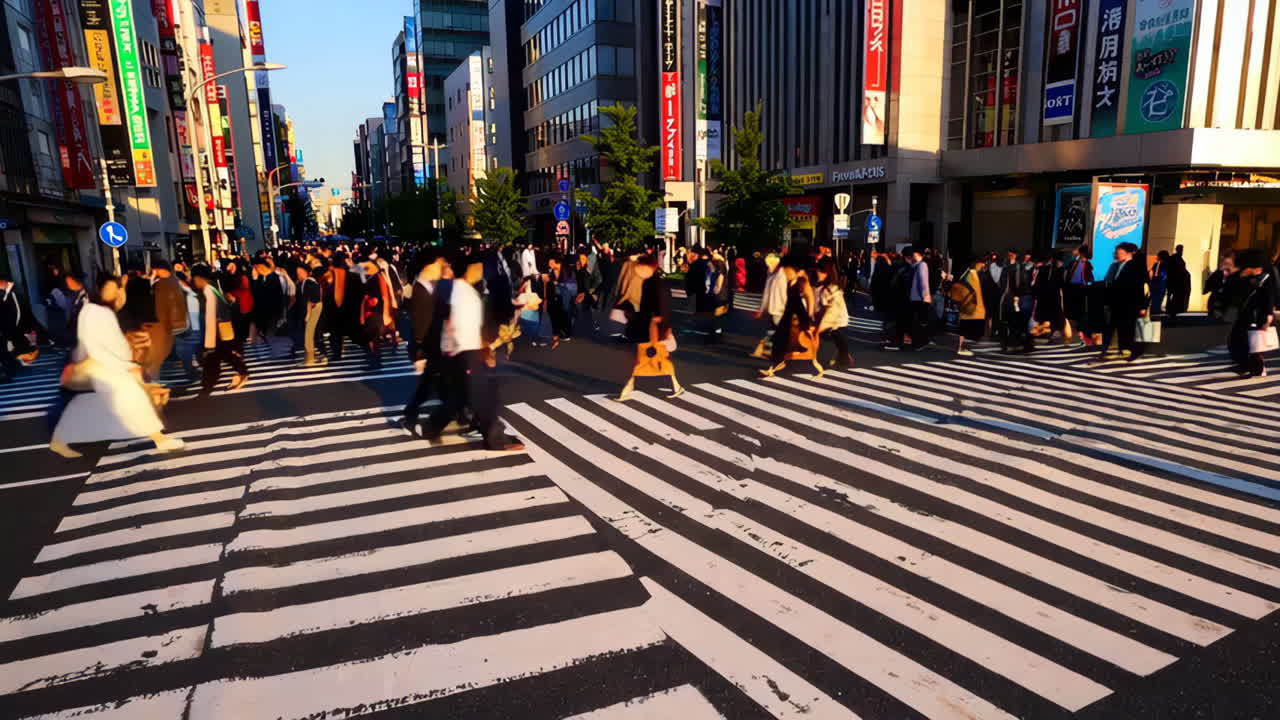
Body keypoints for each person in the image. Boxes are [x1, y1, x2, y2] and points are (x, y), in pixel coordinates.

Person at [49, 273, 184, 457]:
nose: (115, 294)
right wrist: (126, 366)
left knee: (89, 405)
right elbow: (96, 347)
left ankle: (59, 440)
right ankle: (159, 439)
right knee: (134, 400)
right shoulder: (93, 312)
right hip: (102, 367)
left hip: (107, 366)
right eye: (110, 289)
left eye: (116, 289)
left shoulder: (99, 311)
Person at [421, 255, 523, 451]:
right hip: (466, 351)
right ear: (468, 270)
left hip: (461, 351)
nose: (480, 270)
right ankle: (494, 438)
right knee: (481, 396)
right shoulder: (462, 292)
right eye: (477, 267)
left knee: (460, 396)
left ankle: (432, 426)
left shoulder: (459, 290)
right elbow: (455, 324)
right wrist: (473, 348)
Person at [617, 254, 684, 401]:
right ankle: (629, 388)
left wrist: (659, 323)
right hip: (649, 326)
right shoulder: (649, 282)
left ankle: (628, 388)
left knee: (649, 359)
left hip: (653, 328)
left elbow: (662, 306)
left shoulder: (656, 283)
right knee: (651, 359)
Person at [402, 251, 450, 432]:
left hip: (434, 343)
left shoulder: (429, 285)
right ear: (429, 266)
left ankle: (413, 414)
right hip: (430, 345)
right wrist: (420, 349)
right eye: (440, 263)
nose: (442, 267)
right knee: (437, 384)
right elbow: (419, 323)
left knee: (435, 384)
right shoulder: (421, 288)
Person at [193, 265, 250, 394]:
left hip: (218, 329)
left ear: (200, 278)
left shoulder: (208, 290)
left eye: (195, 278)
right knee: (223, 354)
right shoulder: (213, 288)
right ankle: (240, 372)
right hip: (223, 327)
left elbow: (211, 314)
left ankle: (207, 388)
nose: (194, 281)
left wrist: (209, 340)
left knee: (217, 355)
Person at [1230, 249, 1277, 377]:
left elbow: (1270, 296)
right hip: (1247, 313)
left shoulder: (1266, 277)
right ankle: (1246, 365)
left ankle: (1255, 367)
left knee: (1254, 342)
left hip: (1258, 314)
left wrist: (1268, 314)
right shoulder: (1247, 276)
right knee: (1241, 340)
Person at [1100, 242, 1149, 361]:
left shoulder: (1135, 266)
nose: (1116, 255)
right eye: (1115, 252)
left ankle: (1135, 351)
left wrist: (1143, 306)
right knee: (1120, 327)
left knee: (1132, 328)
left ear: (1127, 253)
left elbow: (1140, 287)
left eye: (1119, 252)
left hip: (1131, 303)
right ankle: (1120, 348)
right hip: (1118, 304)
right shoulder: (1117, 266)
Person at [146, 260, 188, 380]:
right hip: (177, 322)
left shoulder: (161, 284)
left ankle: (154, 383)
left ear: (157, 269)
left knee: (156, 358)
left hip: (164, 323)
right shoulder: (174, 280)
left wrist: (151, 279)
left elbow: (160, 306)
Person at [815, 258, 853, 369]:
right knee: (837, 339)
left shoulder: (831, 290)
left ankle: (843, 357)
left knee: (835, 336)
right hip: (834, 321)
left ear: (827, 273)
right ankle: (843, 357)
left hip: (835, 321)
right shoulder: (825, 288)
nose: (817, 273)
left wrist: (820, 326)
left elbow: (831, 312)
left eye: (820, 271)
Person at [950, 258, 987, 356]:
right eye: (982, 264)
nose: (983, 266)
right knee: (967, 327)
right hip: (971, 305)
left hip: (966, 304)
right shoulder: (973, 274)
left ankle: (962, 347)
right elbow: (977, 291)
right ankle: (962, 347)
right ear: (977, 263)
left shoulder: (966, 272)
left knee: (965, 325)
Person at [998, 249, 1033, 353]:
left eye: (1012, 254)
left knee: (1016, 320)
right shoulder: (1006, 266)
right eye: (1009, 254)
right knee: (1008, 320)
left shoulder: (1019, 267)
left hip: (1016, 297)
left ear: (1016, 255)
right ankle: (1008, 343)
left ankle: (1016, 343)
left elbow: (1023, 282)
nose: (1010, 255)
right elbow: (1002, 281)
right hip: (1007, 296)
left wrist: (1018, 295)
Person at [751, 253, 786, 358]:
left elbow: (767, 295)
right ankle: (770, 350)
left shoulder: (776, 277)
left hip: (778, 308)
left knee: (775, 330)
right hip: (779, 308)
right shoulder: (778, 275)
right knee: (774, 330)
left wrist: (761, 310)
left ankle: (772, 351)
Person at [293, 263, 327, 366]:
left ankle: (309, 359)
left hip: (313, 309)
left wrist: (307, 314)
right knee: (311, 334)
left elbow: (311, 300)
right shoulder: (304, 282)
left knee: (309, 334)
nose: (298, 274)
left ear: (306, 272)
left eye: (300, 272)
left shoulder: (309, 282)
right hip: (314, 308)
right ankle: (313, 357)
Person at [1063, 246, 1093, 346]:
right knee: (1076, 315)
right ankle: (1080, 336)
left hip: (1084, 290)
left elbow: (1090, 278)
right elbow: (1068, 273)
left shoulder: (1089, 263)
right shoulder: (1074, 262)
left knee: (1083, 315)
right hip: (1074, 290)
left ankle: (1084, 336)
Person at [1163, 244, 1192, 323]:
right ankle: (1170, 312)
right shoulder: (1174, 258)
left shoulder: (1178, 258)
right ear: (1177, 250)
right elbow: (1172, 270)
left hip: (1179, 282)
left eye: (1182, 250)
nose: (1181, 251)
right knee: (1173, 297)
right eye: (1180, 249)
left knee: (1177, 298)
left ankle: (1174, 312)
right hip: (1175, 282)